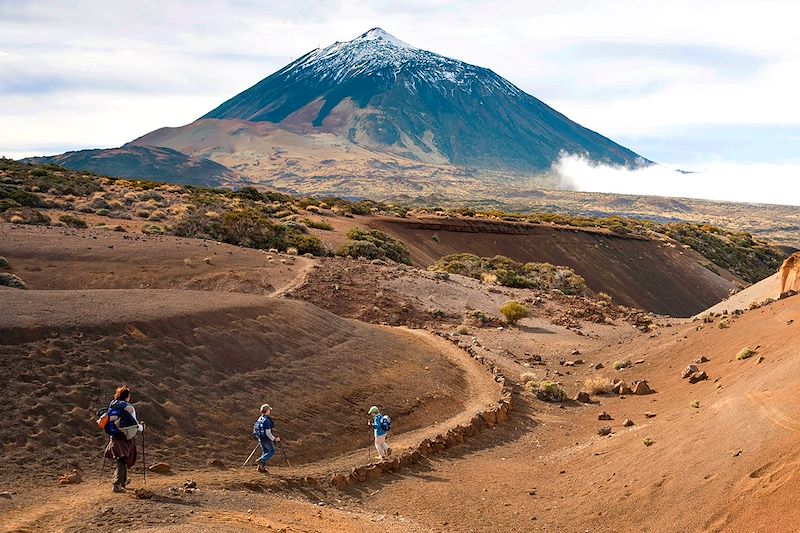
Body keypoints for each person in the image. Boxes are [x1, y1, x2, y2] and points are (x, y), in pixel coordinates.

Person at [103, 386, 145, 493]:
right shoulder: (129, 408)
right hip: (125, 437)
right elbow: (134, 424)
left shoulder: (112, 405)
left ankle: (123, 481)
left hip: (114, 435)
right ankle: (117, 484)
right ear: (127, 396)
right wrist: (142, 427)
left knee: (122, 458)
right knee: (123, 459)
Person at [253, 403, 280, 473]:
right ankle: (261, 461)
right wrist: (274, 439)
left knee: (265, 452)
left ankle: (261, 468)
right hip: (266, 439)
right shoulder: (266, 420)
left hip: (261, 438)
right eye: (269, 410)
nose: (270, 411)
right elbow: (268, 433)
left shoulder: (260, 418)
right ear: (267, 411)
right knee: (271, 451)